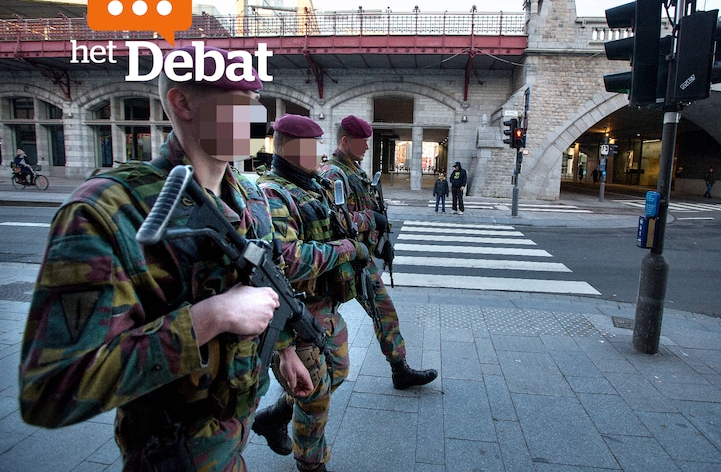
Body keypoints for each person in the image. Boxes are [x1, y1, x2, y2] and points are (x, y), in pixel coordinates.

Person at [18, 46, 313, 471]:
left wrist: (284, 350)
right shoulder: (108, 209)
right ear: (183, 103)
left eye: (256, 103)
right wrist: (211, 317)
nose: (256, 120)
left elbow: (268, 284)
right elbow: (50, 389)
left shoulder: (252, 197)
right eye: (239, 104)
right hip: (172, 455)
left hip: (235, 436)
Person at [253, 114, 369, 472]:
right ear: (289, 148)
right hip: (293, 316)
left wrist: (365, 225)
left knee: (338, 372)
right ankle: (311, 463)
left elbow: (339, 221)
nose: (319, 152)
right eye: (311, 146)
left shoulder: (312, 184)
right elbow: (289, 260)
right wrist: (346, 249)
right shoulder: (273, 194)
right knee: (315, 397)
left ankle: (274, 416)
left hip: (325, 308)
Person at [318, 115, 438, 389]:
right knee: (318, 322)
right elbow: (335, 219)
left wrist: (380, 244)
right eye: (362, 142)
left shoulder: (354, 171)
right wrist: (372, 219)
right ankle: (292, 391)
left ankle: (400, 369)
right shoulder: (333, 174)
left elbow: (365, 208)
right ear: (345, 141)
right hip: (340, 261)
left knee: (384, 311)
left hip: (359, 258)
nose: (367, 148)